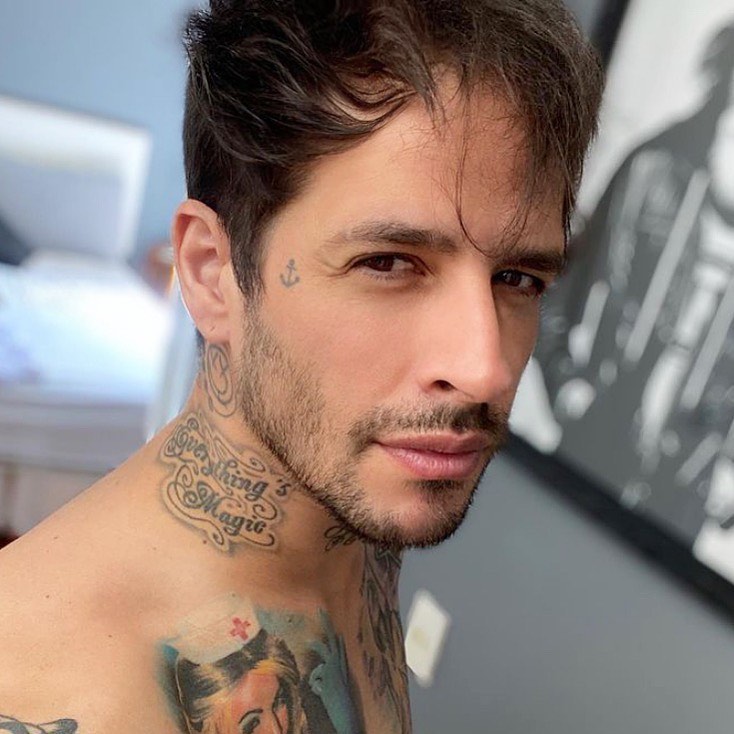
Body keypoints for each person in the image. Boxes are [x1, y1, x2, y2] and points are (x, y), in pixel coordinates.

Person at [0, 1, 602, 731]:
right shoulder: (39, 690)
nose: (486, 370)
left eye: (519, 279)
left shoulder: (353, 528)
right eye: (389, 263)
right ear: (211, 273)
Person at [535, 22, 734, 545]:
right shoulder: (651, 172)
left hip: (680, 505)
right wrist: (566, 382)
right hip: (591, 452)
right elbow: (555, 283)